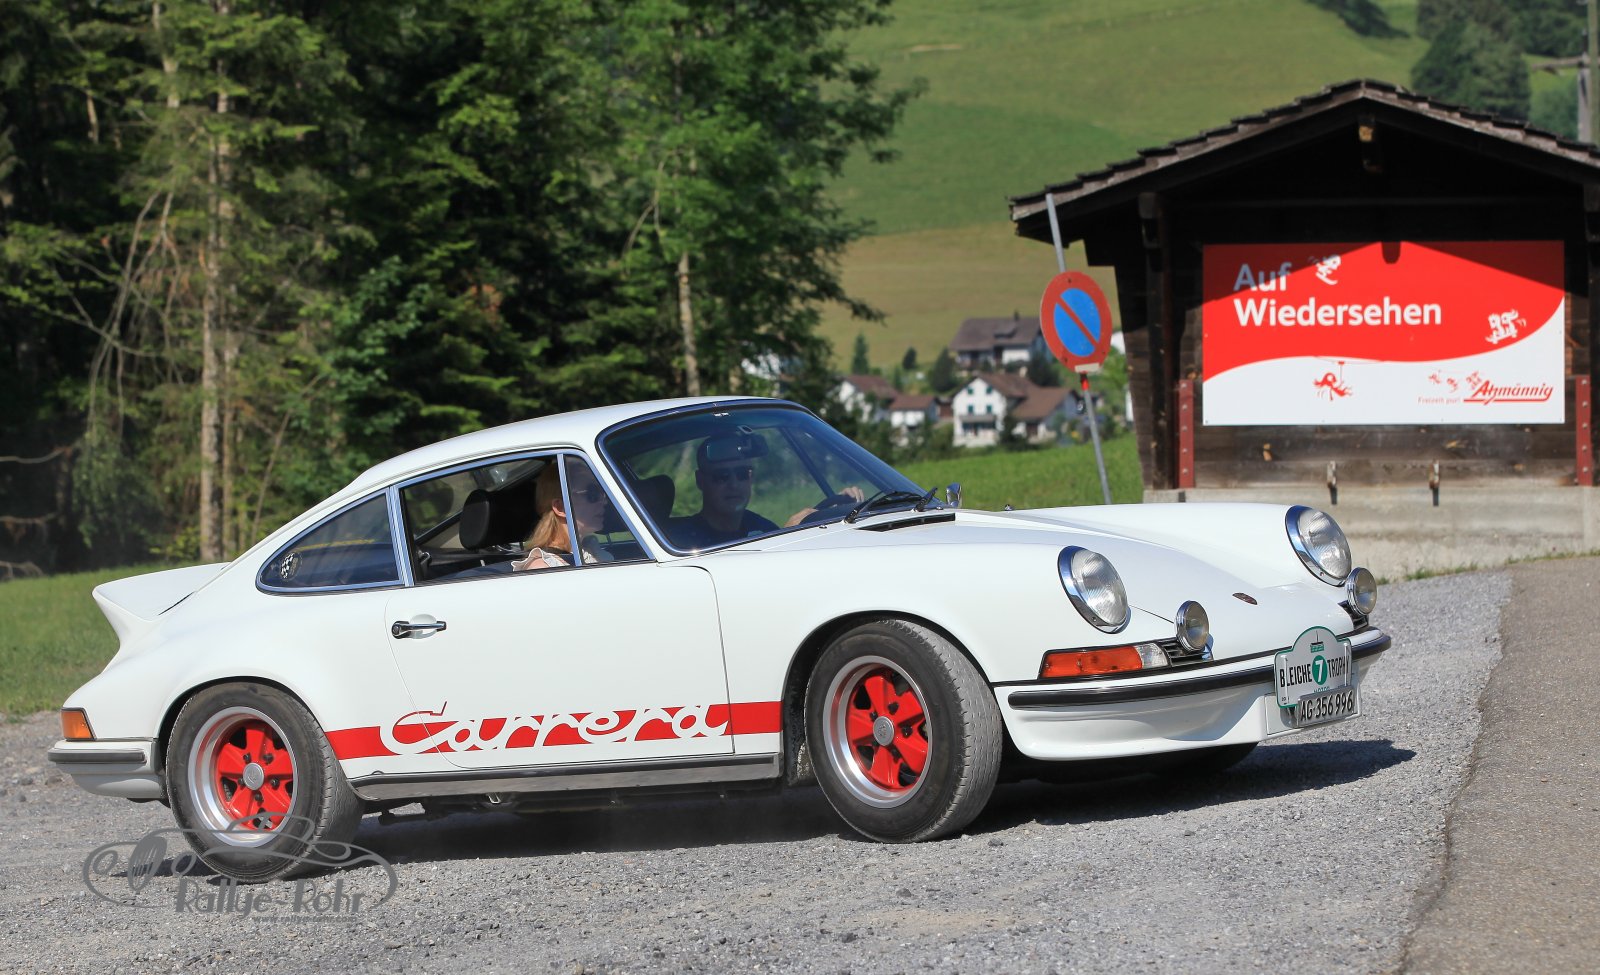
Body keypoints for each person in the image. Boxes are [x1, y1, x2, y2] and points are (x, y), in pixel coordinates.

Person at [668, 433, 864, 549]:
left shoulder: (763, 528)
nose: (734, 484)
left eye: (742, 474)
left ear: (751, 477)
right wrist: (787, 536)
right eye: (722, 476)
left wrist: (835, 514)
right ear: (701, 481)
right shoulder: (680, 541)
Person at [513, 460, 610, 570]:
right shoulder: (543, 568)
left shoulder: (592, 552)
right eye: (592, 492)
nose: (604, 501)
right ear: (560, 507)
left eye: (601, 491)